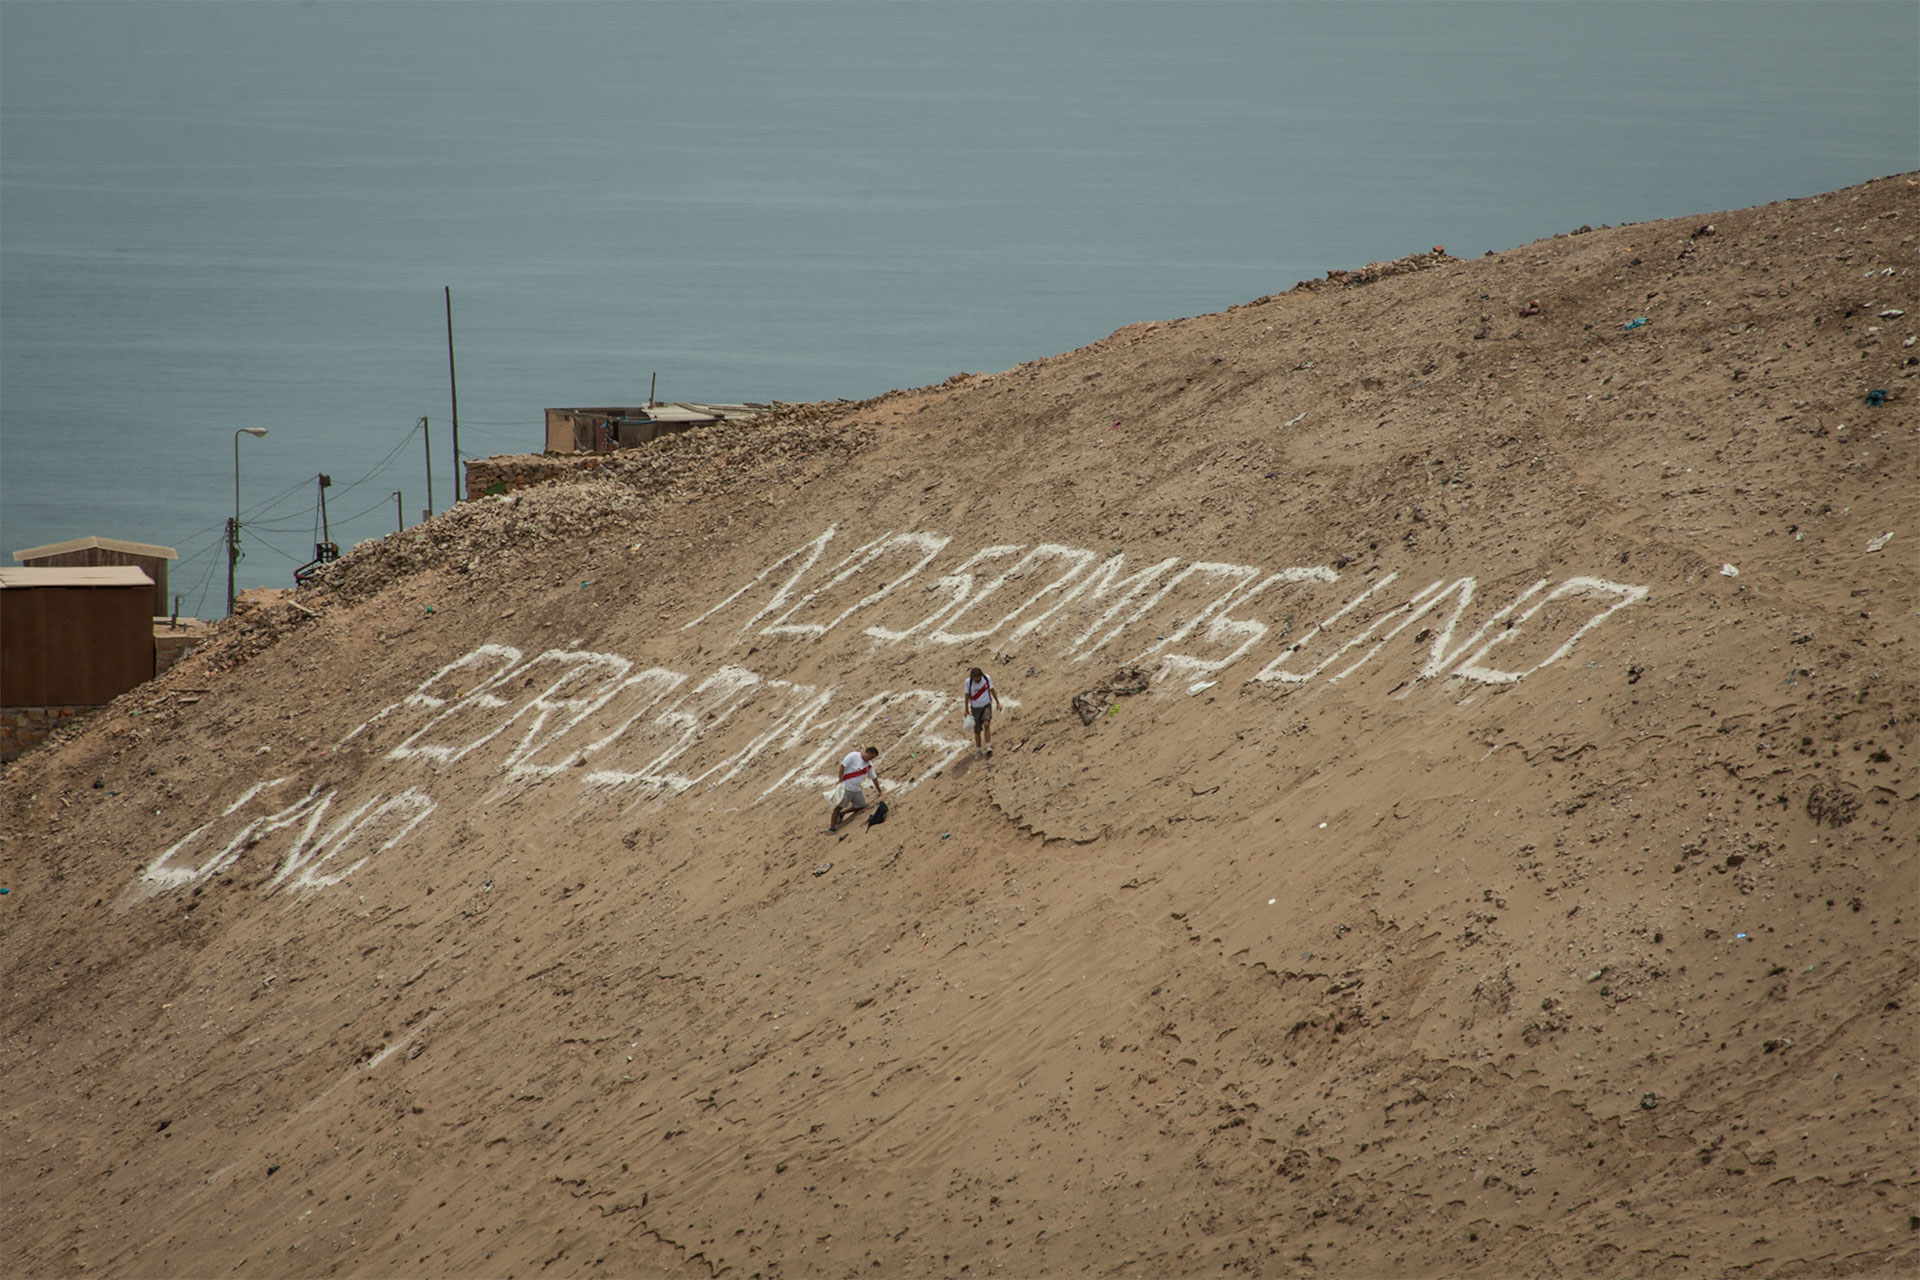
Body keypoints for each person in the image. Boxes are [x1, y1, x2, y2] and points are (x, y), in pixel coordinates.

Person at [830, 746, 883, 832]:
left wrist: (879, 791)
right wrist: (840, 780)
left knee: (861, 805)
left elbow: (874, 778)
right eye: (871, 757)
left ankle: (842, 814)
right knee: (839, 806)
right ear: (868, 753)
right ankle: (832, 825)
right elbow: (842, 766)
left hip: (856, 789)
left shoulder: (868, 765)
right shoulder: (853, 756)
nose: (871, 759)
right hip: (846, 787)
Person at [964, 666, 1002, 758]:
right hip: (975, 708)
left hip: (986, 705)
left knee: (986, 724)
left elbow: (992, 690)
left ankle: (988, 745)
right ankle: (978, 749)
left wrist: (997, 702)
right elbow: (967, 695)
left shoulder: (987, 678)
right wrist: (966, 709)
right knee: (977, 730)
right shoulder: (968, 682)